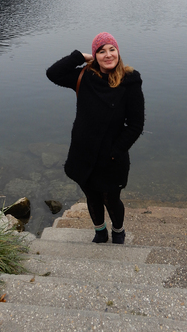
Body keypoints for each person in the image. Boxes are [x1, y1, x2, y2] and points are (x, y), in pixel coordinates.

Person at [46, 32, 145, 244]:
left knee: (111, 198)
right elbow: (53, 73)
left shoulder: (130, 81)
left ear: (118, 52)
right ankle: (100, 232)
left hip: (111, 155)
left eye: (112, 49)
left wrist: (116, 151)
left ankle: (118, 231)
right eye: (101, 51)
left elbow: (135, 125)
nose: (108, 55)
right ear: (94, 56)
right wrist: (80, 56)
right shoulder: (85, 77)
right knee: (91, 195)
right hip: (83, 152)